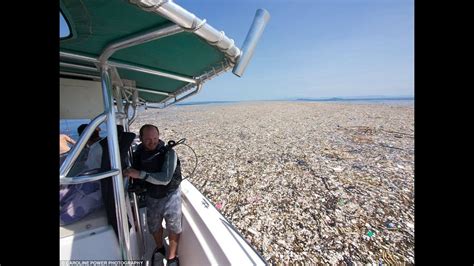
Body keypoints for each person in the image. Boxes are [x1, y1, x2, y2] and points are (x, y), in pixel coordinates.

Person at [123, 124, 182, 266]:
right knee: (154, 225)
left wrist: (139, 174)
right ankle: (160, 248)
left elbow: (165, 178)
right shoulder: (139, 153)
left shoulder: (169, 153)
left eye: (155, 138)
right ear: (141, 138)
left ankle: (172, 257)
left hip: (170, 194)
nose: (152, 141)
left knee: (173, 225)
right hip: (152, 195)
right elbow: (136, 170)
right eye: (148, 139)